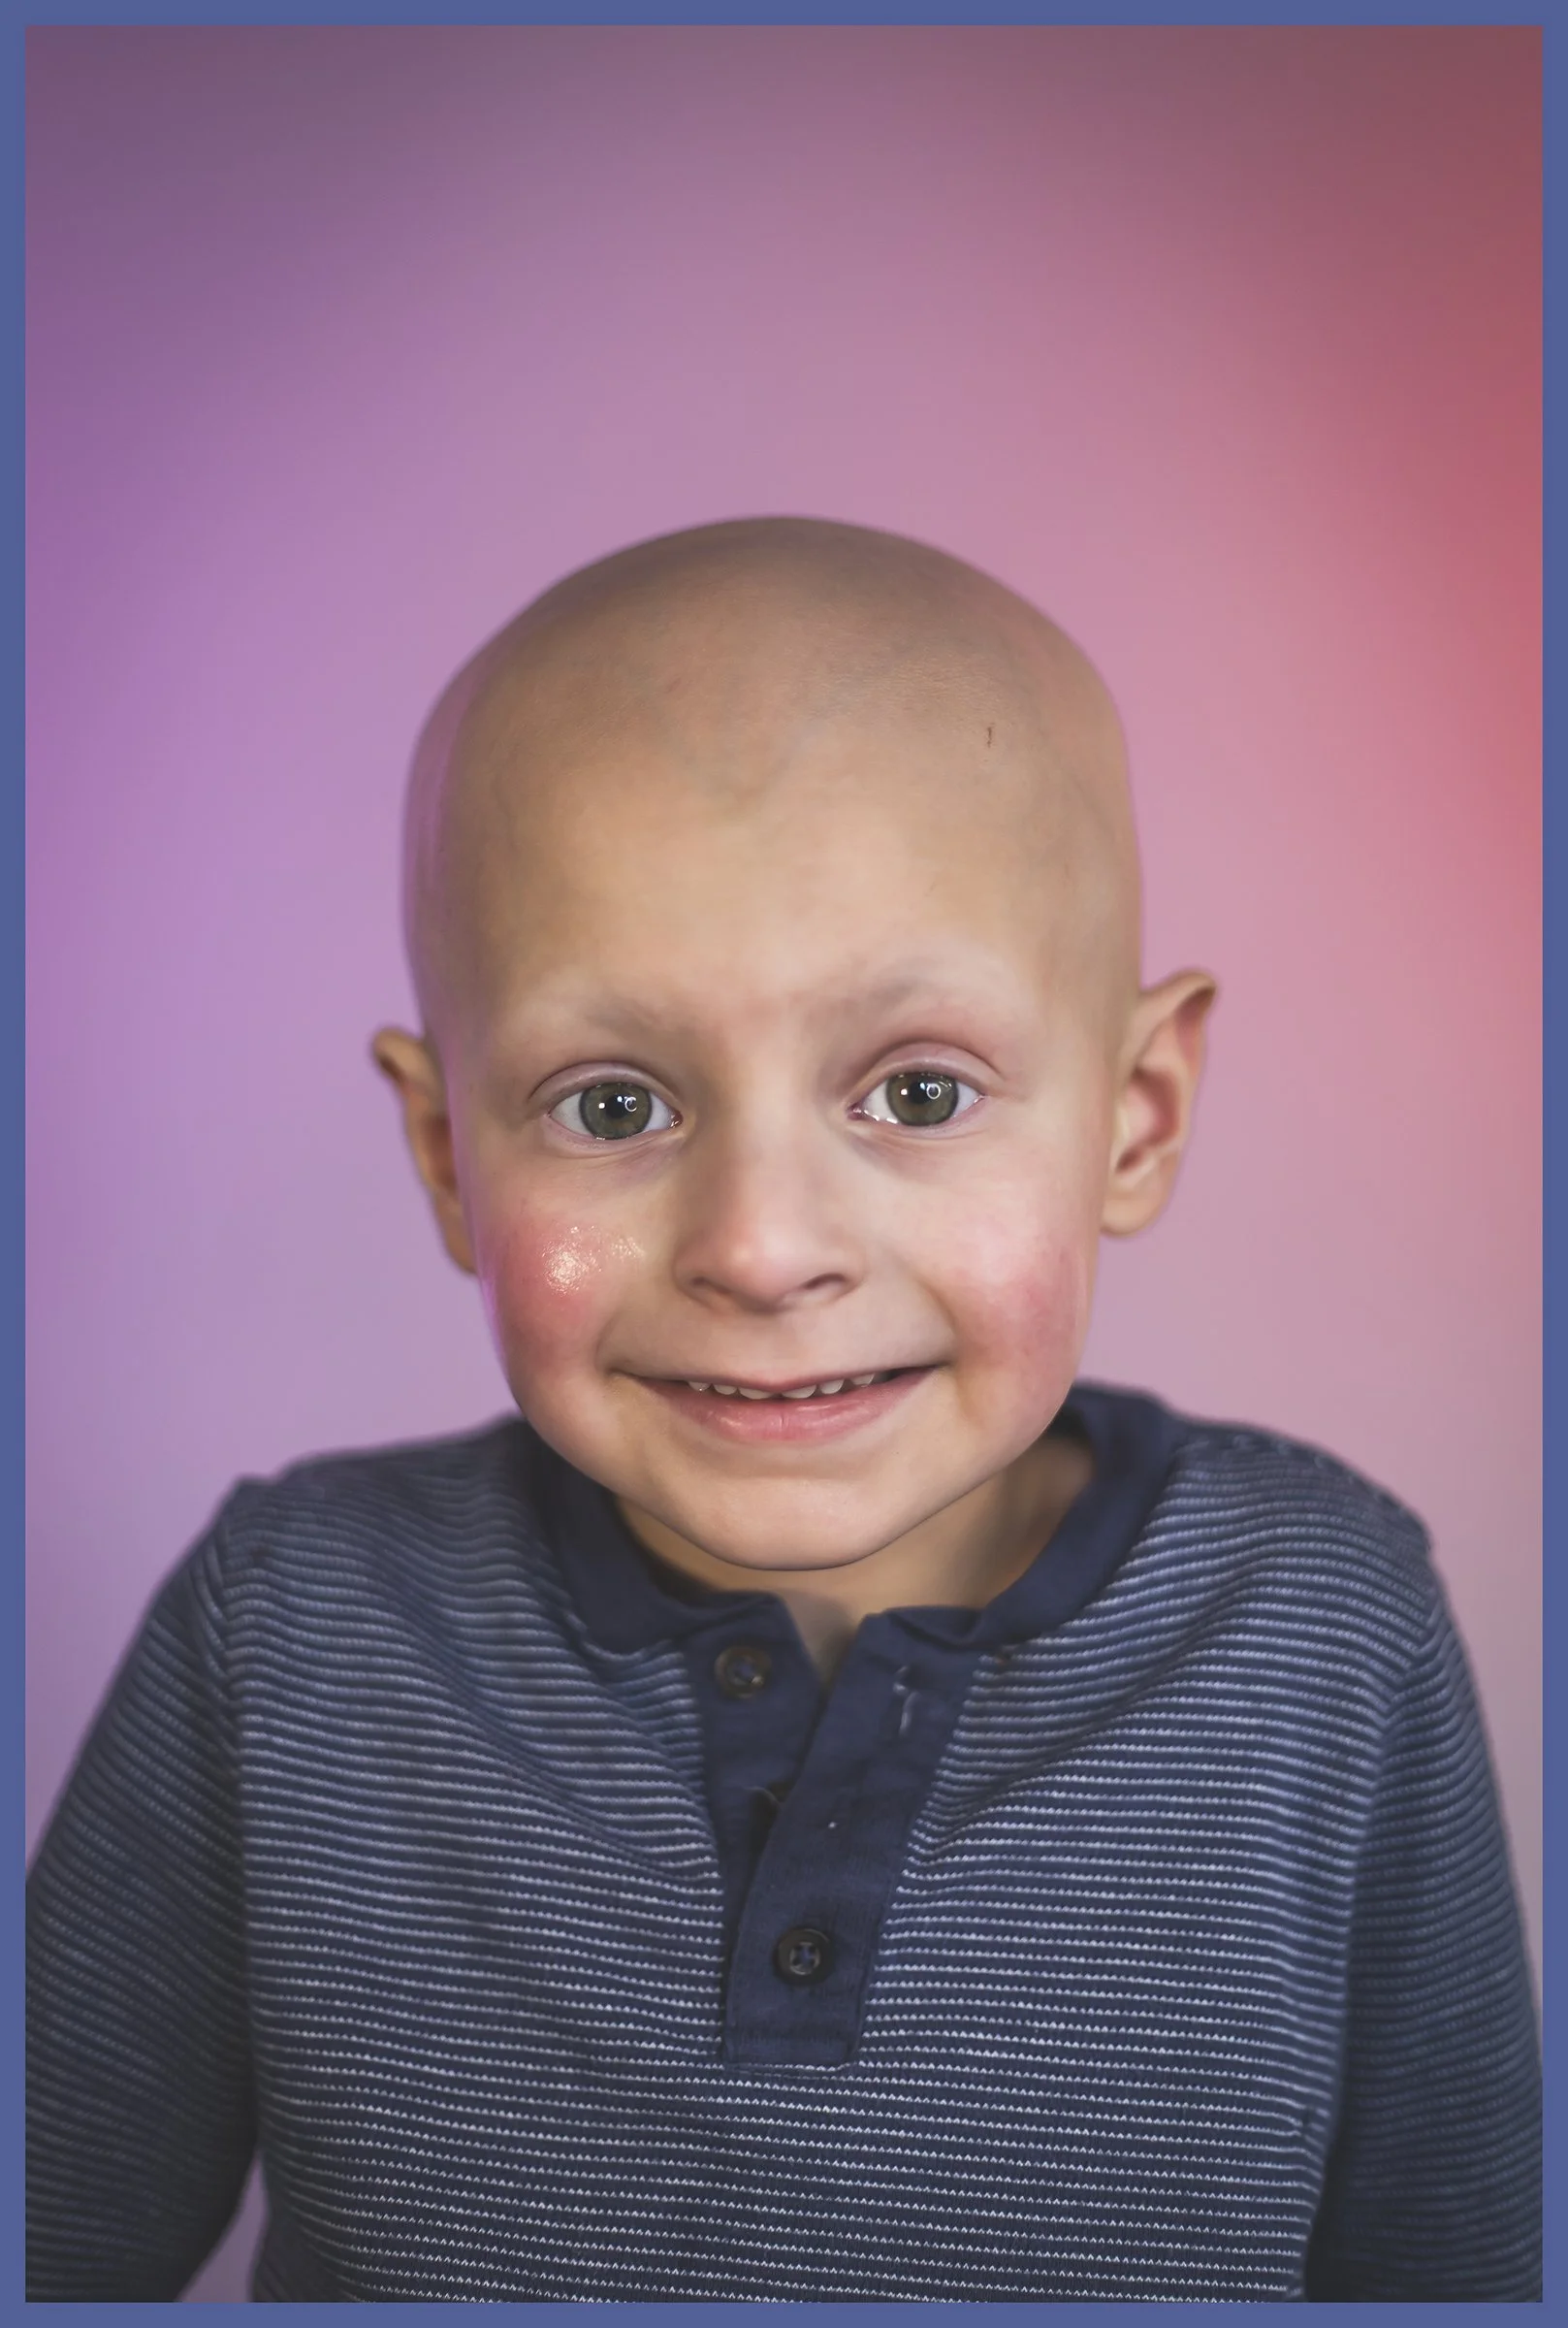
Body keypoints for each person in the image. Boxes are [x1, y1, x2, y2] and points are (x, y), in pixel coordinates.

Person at [25, 518, 1540, 2301]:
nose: (758, 1247)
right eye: (610, 1107)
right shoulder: (285, 1633)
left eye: (914, 1089)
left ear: (1134, 1114)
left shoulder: (1324, 1631)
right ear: (447, 1155)